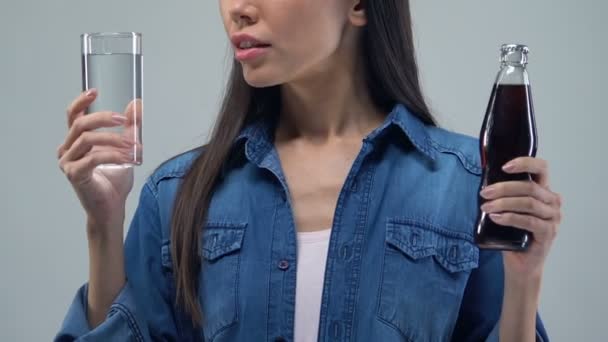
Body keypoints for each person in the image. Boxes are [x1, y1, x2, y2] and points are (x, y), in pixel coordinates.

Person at [55, 0, 563, 341]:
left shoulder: (465, 184)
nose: (238, 9)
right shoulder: (178, 194)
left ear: (360, 6)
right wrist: (103, 223)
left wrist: (525, 277)